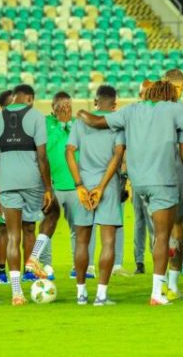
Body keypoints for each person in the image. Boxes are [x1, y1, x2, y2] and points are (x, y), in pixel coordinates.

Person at [76, 80, 183, 305]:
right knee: (163, 237)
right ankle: (157, 292)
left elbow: (97, 122)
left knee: (154, 234)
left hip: (139, 183)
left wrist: (81, 113)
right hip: (163, 181)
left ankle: (159, 286)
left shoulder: (131, 110)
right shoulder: (173, 109)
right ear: (169, 95)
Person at [0, 84, 54, 306]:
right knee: (49, 216)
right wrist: (48, 188)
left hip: (7, 183)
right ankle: (33, 259)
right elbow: (42, 156)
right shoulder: (36, 116)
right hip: (32, 182)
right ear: (30, 98)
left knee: (13, 236)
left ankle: (17, 293)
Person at [66, 85, 126, 305]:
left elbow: (69, 152)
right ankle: (101, 295)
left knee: (82, 241)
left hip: (84, 186)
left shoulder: (80, 123)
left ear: (95, 102)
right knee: (108, 241)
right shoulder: (117, 124)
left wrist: (79, 184)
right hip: (107, 186)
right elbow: (118, 155)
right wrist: (101, 186)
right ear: (115, 104)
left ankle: (81, 294)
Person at [25, 92, 93, 281]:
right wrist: (61, 126)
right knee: (47, 226)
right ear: (52, 108)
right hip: (52, 185)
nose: (65, 109)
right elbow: (44, 149)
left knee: (79, 228)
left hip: (75, 185)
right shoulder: (44, 123)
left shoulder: (78, 124)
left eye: (68, 106)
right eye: (61, 106)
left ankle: (78, 266)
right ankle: (46, 265)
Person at [162, 68, 183, 298]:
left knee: (162, 231)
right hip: (177, 176)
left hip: (157, 178)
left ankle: (161, 284)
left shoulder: (151, 111)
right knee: (176, 229)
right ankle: (172, 285)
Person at [131, 80, 154, 274]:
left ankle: (157, 258)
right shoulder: (134, 115)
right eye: (144, 93)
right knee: (139, 220)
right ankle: (139, 261)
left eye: (150, 92)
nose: (146, 95)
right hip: (137, 177)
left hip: (154, 176)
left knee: (154, 221)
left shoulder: (160, 115)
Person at [0, 89, 13, 284]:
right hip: (6, 183)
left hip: (28, 182)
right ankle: (1, 272)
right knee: (5, 227)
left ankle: (28, 270)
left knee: (29, 226)